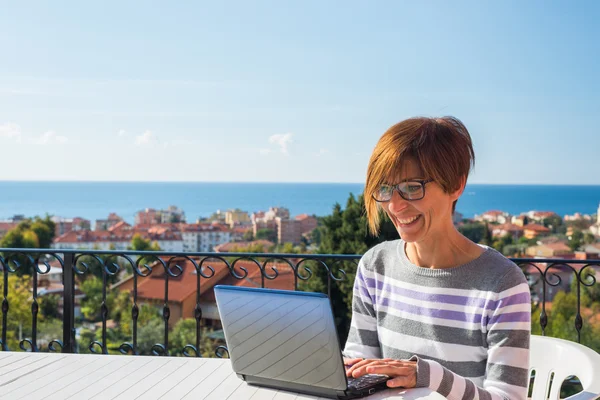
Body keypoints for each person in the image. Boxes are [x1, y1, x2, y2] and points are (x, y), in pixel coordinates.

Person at [343, 117, 531, 399]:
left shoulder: (502, 283)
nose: (394, 205)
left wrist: (429, 377)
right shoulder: (375, 266)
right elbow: (358, 365)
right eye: (384, 189)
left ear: (455, 185)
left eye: (412, 187)